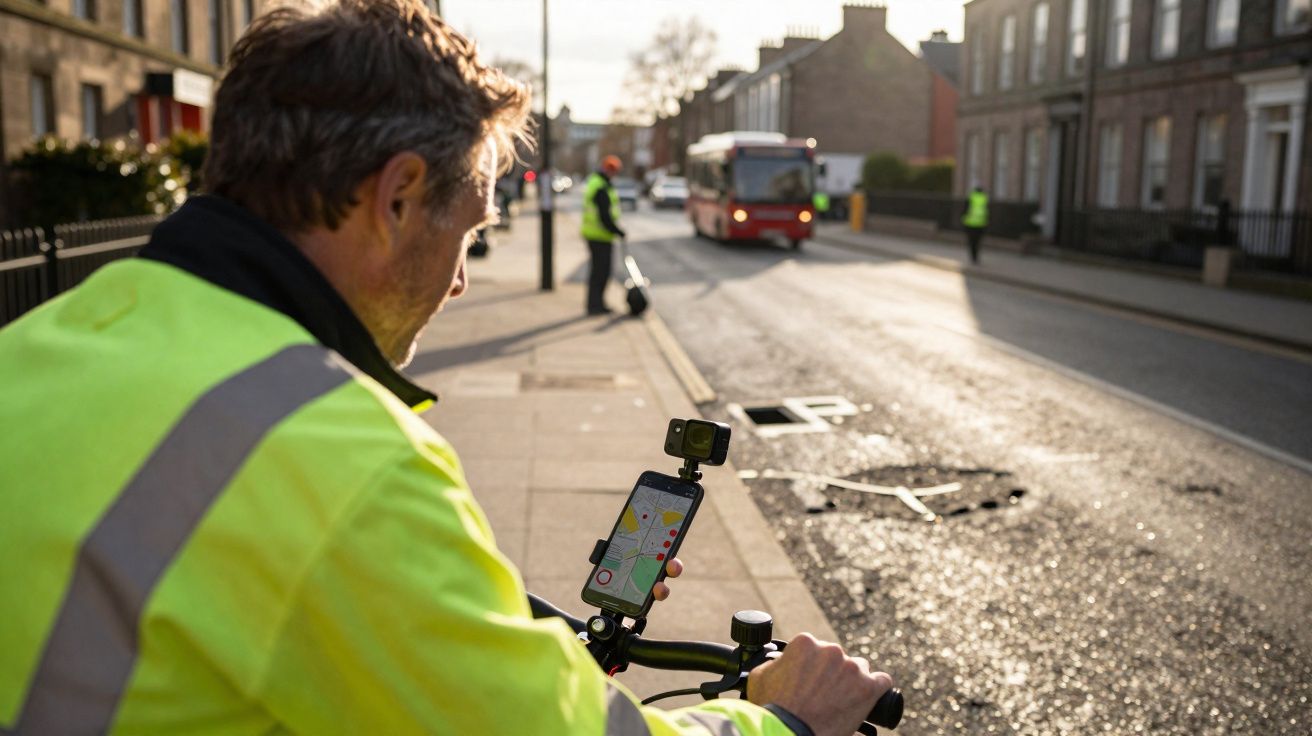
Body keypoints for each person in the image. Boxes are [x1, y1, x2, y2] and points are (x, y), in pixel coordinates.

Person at [0, 2, 893, 734]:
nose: (464, 279)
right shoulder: (338, 454)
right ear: (394, 200)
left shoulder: (43, 337)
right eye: (469, 230)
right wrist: (785, 722)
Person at [582, 155, 626, 315]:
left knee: (598, 272)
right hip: (599, 236)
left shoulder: (597, 182)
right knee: (601, 273)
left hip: (596, 235)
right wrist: (617, 231)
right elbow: (604, 216)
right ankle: (595, 305)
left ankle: (596, 303)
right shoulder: (601, 187)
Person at [962, 185, 989, 264]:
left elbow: (965, 210)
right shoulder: (984, 198)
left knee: (971, 242)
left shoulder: (970, 197)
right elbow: (987, 211)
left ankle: (973, 257)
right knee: (978, 241)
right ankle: (977, 257)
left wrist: (963, 220)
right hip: (981, 223)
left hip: (970, 223)